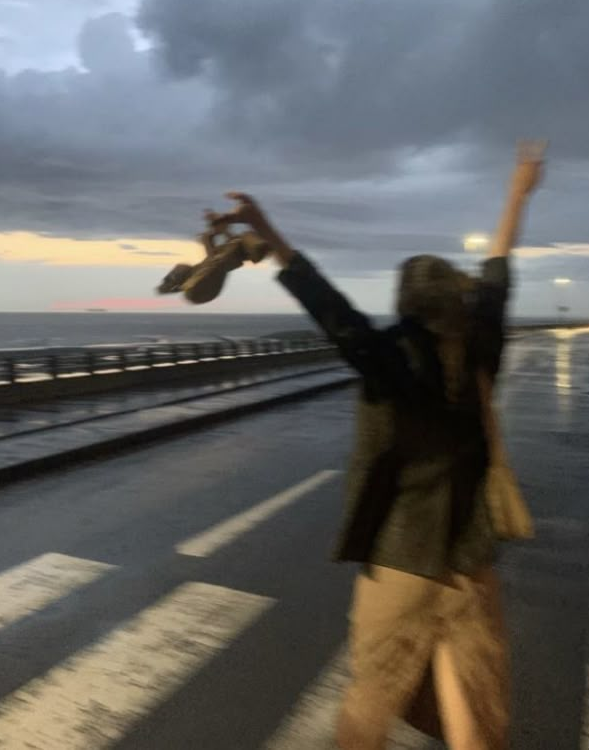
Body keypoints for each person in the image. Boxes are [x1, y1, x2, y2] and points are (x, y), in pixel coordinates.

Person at [205, 141, 547, 750]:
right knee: (476, 713)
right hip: (471, 565)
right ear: (456, 305)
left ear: (406, 305)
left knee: (369, 707)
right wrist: (518, 193)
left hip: (398, 565)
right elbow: (498, 275)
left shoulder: (389, 359)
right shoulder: (482, 354)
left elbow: (330, 309)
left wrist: (266, 230)